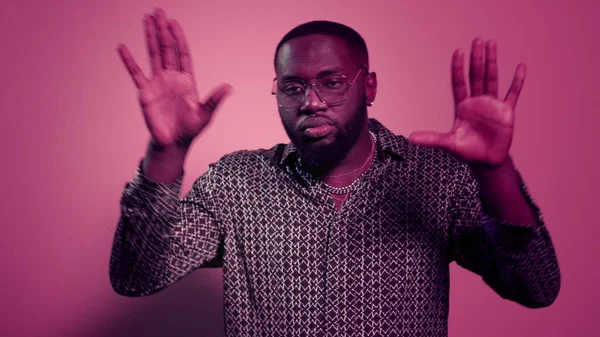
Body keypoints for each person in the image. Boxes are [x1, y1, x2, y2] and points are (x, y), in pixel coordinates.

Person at [110, 7, 561, 337]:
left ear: (369, 87)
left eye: (331, 82)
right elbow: (138, 274)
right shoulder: (237, 183)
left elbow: (536, 287)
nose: (311, 102)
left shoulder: (434, 178)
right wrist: (167, 150)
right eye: (292, 86)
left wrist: (496, 172)